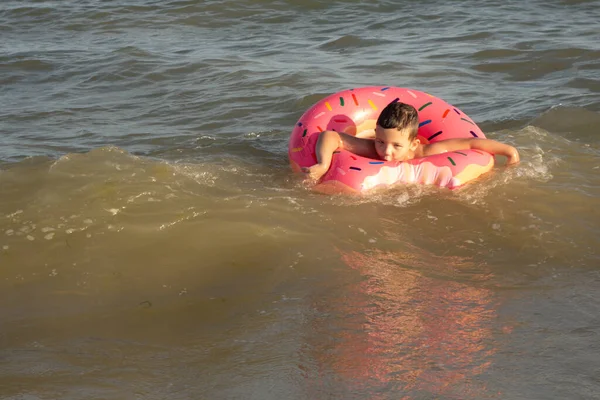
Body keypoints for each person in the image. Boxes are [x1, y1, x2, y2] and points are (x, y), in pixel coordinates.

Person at [302, 102, 520, 182]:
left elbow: (471, 144)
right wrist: (322, 164)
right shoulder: (371, 149)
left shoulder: (427, 151)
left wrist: (510, 152)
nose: (385, 152)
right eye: (380, 141)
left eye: (397, 146)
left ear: (413, 144)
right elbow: (330, 136)